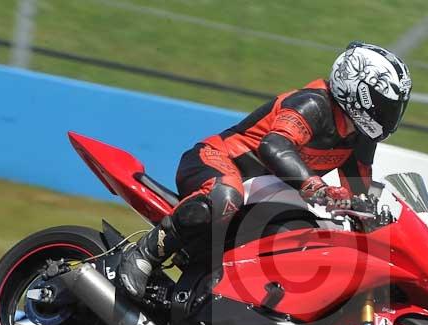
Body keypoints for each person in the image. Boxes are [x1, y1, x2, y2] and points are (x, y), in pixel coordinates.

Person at [118, 41, 413, 299]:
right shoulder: (313, 104)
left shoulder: (360, 137)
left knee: (306, 236)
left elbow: (358, 193)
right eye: (384, 105)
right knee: (226, 195)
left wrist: (375, 221)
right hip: (216, 162)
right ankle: (144, 254)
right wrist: (317, 188)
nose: (389, 115)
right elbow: (275, 146)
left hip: (264, 196)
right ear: (357, 92)